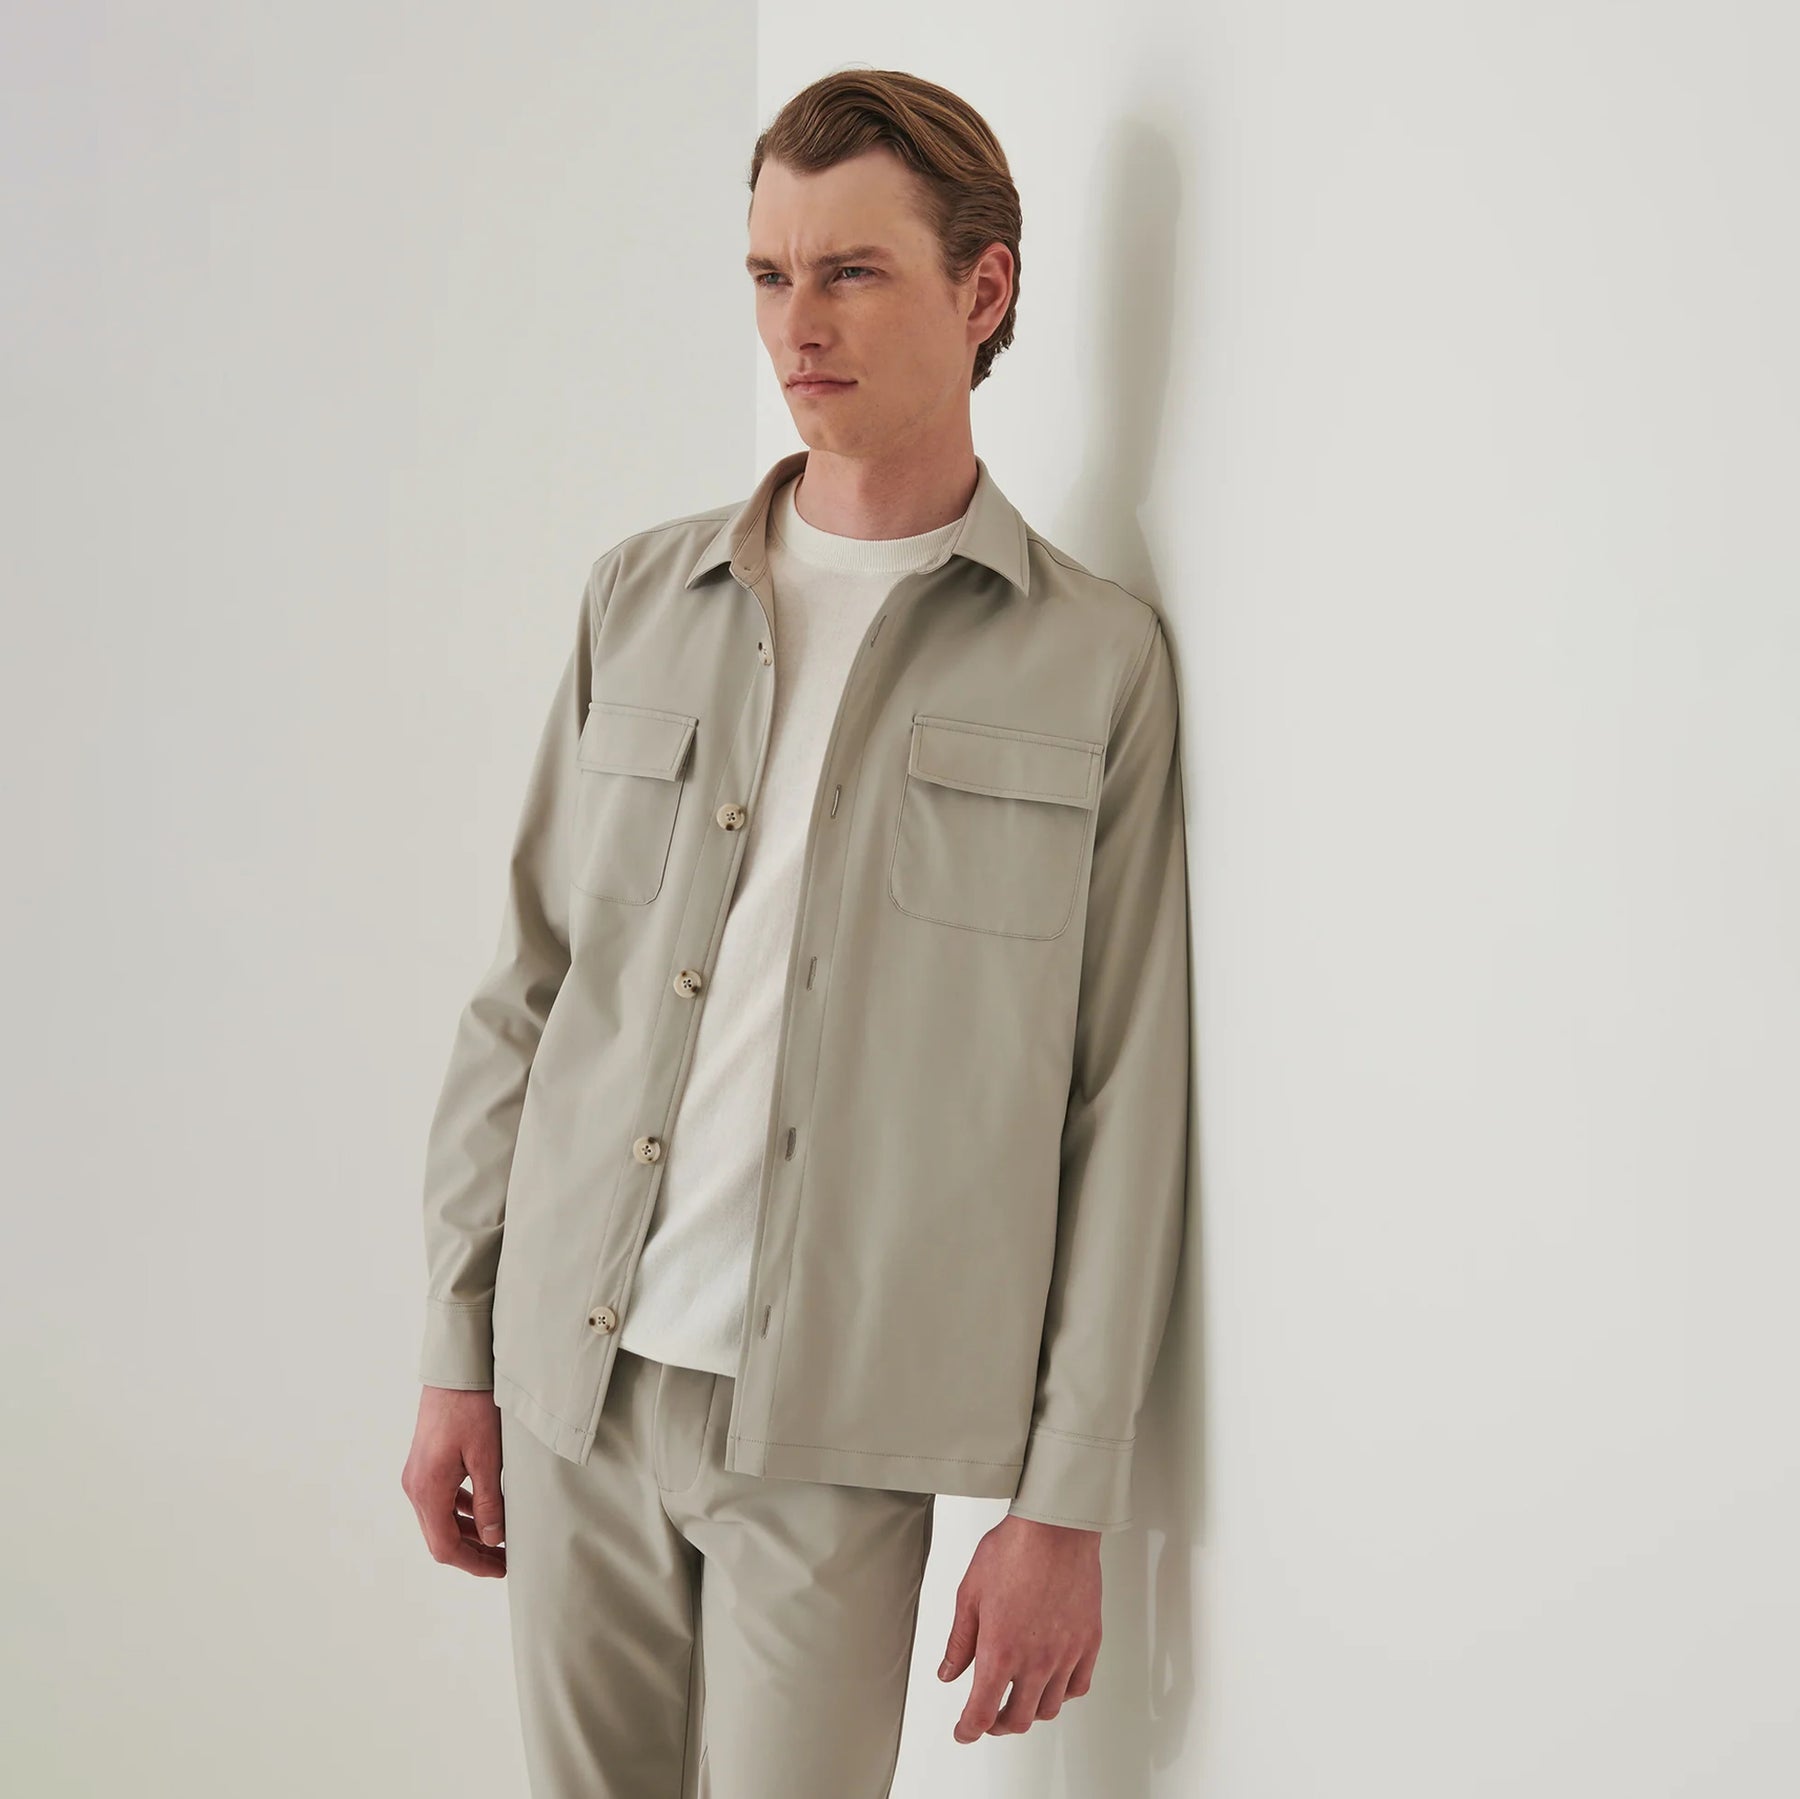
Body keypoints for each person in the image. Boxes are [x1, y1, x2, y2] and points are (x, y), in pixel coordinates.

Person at [400, 66, 1192, 1799]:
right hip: (574, 1382)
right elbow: (528, 993)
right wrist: (460, 1350)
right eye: (769, 272)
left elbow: (1125, 1099)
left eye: (851, 272)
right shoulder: (640, 598)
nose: (796, 323)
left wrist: (1065, 1501)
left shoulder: (1092, 662)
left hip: (840, 1429)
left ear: (982, 291)